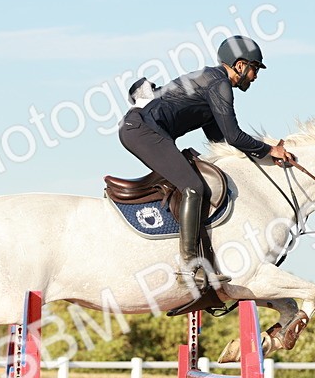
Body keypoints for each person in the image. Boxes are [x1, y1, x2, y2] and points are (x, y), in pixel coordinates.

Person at [118, 35, 298, 313]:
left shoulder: (213, 82)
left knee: (200, 180)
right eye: (254, 69)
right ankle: (190, 265)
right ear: (240, 65)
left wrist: (266, 159)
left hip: (145, 129)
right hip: (141, 130)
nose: (255, 76)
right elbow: (235, 136)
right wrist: (270, 150)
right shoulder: (219, 85)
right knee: (194, 187)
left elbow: (221, 143)